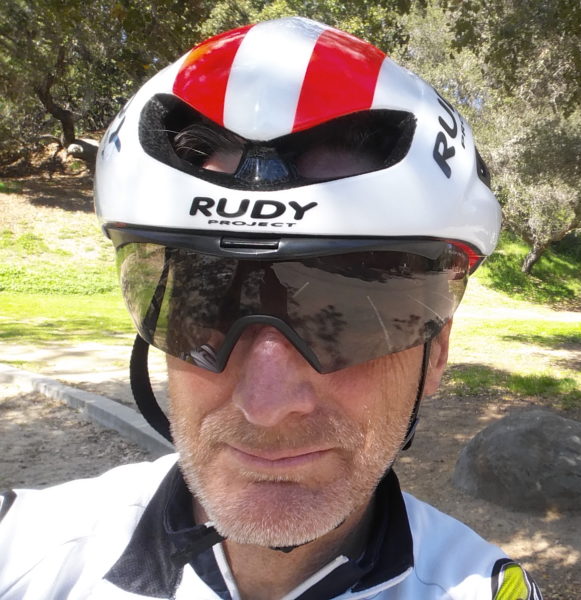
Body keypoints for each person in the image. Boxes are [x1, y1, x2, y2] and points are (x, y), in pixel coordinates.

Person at [0, 16, 541, 600]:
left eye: (349, 315)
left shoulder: (483, 589)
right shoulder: (25, 550)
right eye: (206, 307)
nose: (266, 406)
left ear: (436, 353)